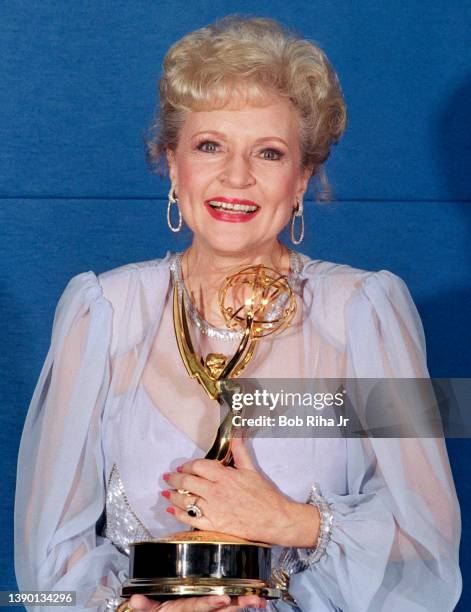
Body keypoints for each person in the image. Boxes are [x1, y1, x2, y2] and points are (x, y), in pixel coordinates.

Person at [15, 15, 462, 612]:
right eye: (209, 145)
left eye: (269, 153)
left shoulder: (366, 313)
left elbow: (430, 539)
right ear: (172, 164)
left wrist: (291, 521)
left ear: (302, 178)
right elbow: (43, 575)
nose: (236, 177)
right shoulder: (101, 313)